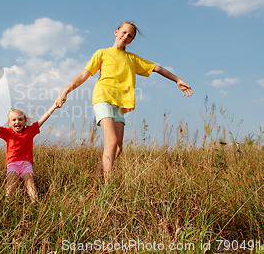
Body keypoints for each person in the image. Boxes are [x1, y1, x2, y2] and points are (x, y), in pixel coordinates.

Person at [55, 21, 193, 181]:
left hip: (120, 105)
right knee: (111, 141)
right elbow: (84, 75)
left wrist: (177, 80)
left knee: (118, 148)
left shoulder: (131, 58)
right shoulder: (102, 53)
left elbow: (157, 68)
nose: (126, 36)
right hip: (103, 97)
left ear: (131, 40)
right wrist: (65, 91)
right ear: (116, 32)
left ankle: (95, 179)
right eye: (124, 32)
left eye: (130, 36)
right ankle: (109, 189)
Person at [0, 104, 58, 203]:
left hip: (26, 164)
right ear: (9, 123)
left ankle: (35, 202)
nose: (17, 122)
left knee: (30, 181)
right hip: (13, 164)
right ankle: (7, 202)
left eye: (20, 119)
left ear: (25, 122)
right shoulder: (8, 132)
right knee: (11, 182)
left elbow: (43, 119)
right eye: (14, 120)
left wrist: (54, 106)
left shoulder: (30, 131)